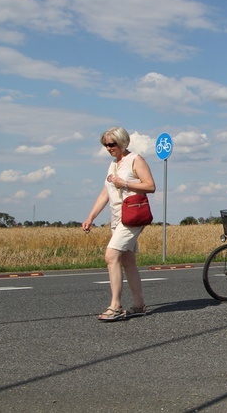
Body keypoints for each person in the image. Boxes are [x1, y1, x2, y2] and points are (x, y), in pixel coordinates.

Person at [82, 127, 156, 321]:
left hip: (132, 217)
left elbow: (150, 186)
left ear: (123, 142)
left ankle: (115, 306)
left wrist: (124, 183)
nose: (108, 148)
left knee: (111, 255)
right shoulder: (113, 164)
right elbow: (105, 192)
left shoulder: (135, 160)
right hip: (117, 218)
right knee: (128, 262)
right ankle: (139, 305)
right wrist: (91, 217)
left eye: (112, 144)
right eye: (106, 145)